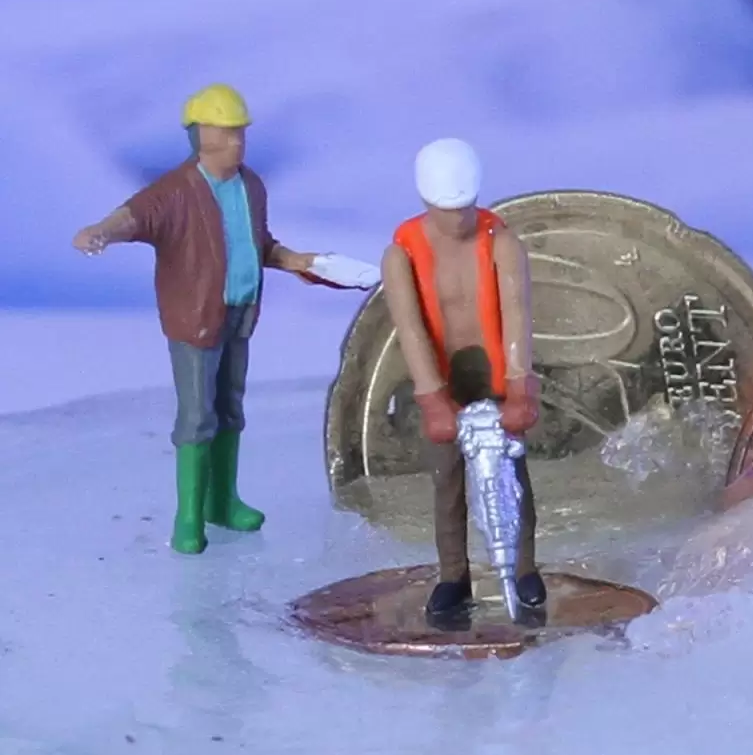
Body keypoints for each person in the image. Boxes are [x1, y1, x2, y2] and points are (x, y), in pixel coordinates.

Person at [71, 83, 327, 554]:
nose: (236, 142)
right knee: (196, 416)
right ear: (199, 135)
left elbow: (258, 243)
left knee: (230, 409)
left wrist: (292, 260)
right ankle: (188, 515)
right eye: (226, 132)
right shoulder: (176, 191)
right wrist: (102, 231)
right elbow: (135, 215)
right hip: (194, 321)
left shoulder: (251, 186)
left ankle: (223, 502)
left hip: (239, 314)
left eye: (240, 132)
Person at [379, 137, 544, 620]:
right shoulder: (401, 255)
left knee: (512, 476)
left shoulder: (502, 243)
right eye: (447, 210)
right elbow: (410, 329)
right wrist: (433, 399)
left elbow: (518, 313)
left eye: (465, 208)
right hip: (444, 377)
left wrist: (520, 386)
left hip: (495, 372)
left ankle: (525, 568)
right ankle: (453, 574)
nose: (458, 219)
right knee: (446, 479)